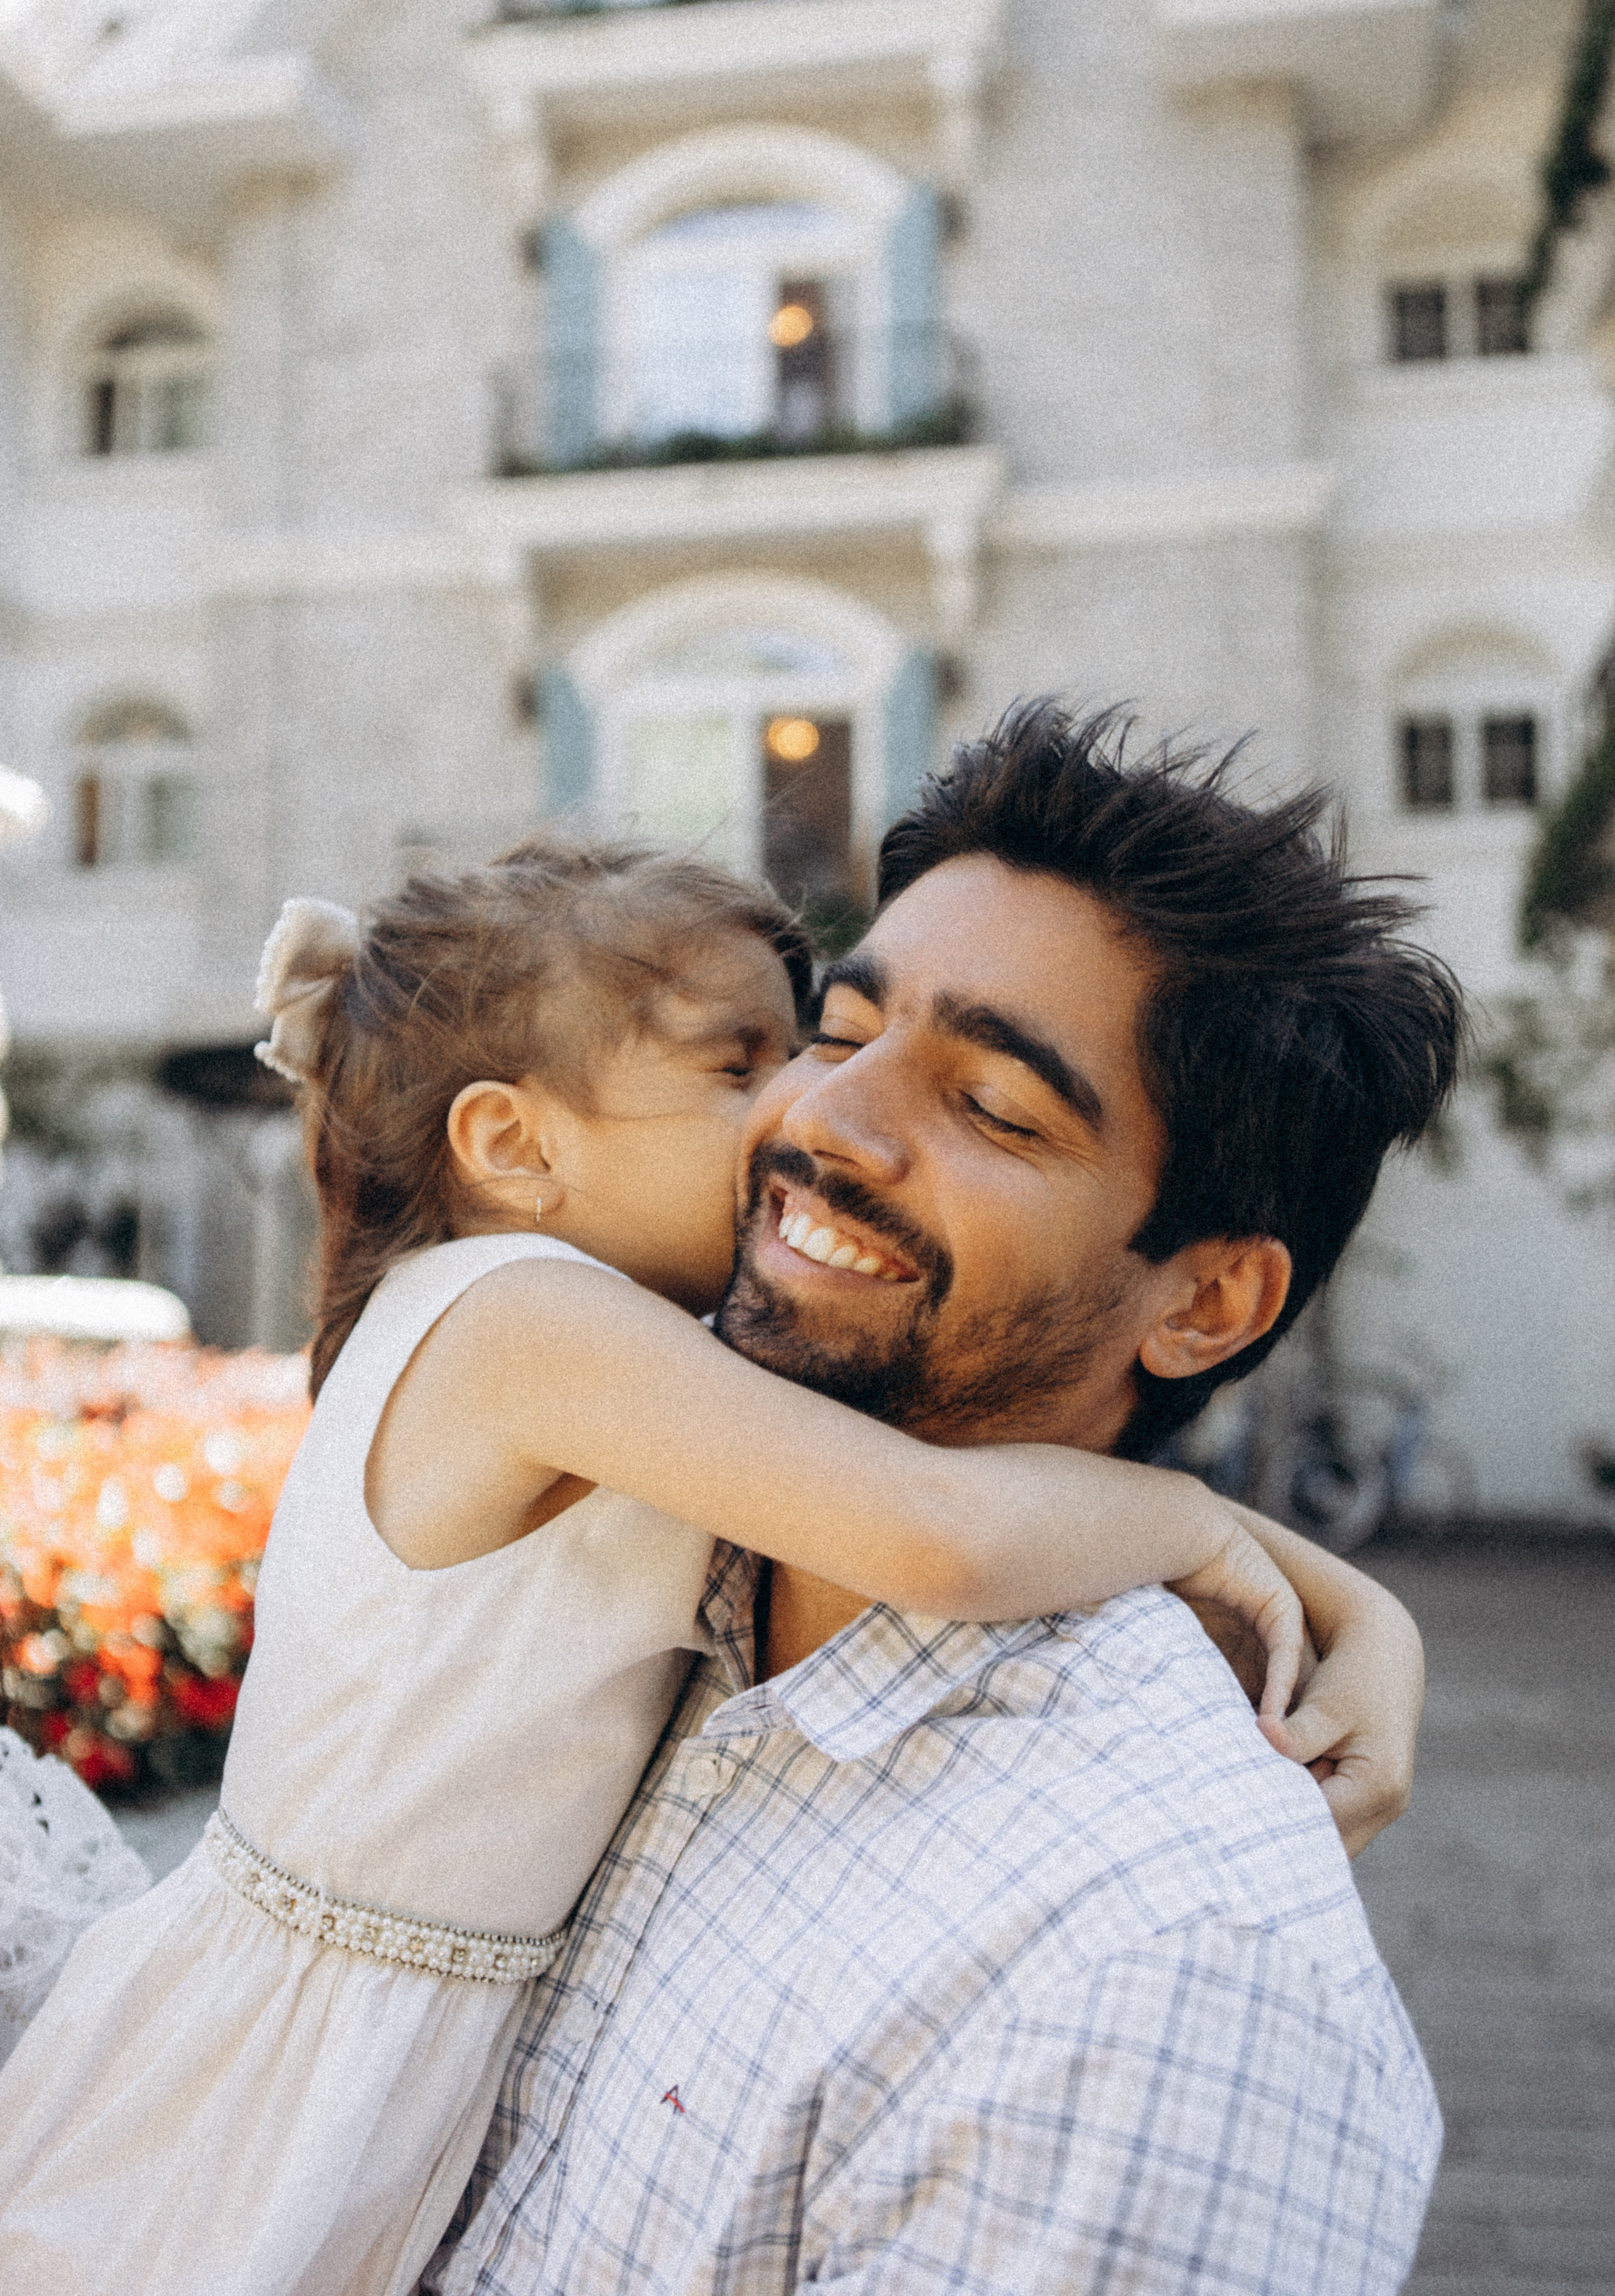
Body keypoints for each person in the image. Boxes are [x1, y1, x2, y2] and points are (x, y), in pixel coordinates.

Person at [0, 832, 1337, 2296]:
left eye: (793, 1045)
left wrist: (1338, 1604)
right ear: (514, 1144)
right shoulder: (525, 1320)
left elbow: (918, 1495)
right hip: (274, 2072)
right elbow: (934, 1529)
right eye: (739, 1061)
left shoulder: (595, 1341)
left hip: (356, 2039)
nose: (797, 1108)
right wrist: (1205, 1531)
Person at [427, 705, 1462, 2296]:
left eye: (991, 1106)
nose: (820, 1121)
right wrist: (1326, 1589)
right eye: (835, 1034)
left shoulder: (1156, 1980)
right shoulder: (634, 1549)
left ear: (1204, 1304)